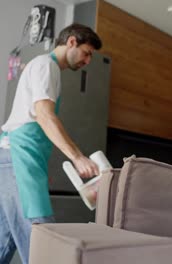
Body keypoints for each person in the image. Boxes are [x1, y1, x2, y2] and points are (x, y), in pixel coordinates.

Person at [0, 23, 102, 264]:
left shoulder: (44, 66)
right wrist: (78, 157)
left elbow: (35, 122)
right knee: (43, 237)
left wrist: (39, 169)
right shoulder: (47, 66)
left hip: (13, 157)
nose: (87, 61)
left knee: (5, 238)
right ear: (71, 42)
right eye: (87, 53)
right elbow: (44, 116)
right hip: (18, 157)